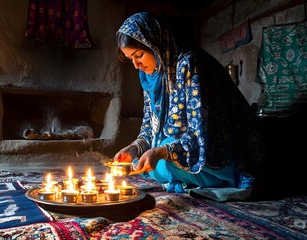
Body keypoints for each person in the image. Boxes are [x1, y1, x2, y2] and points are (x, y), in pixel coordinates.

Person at [113, 12, 263, 202]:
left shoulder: (189, 64)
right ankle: (172, 164)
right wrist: (135, 147)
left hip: (217, 153)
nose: (136, 65)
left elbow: (199, 135)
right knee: (149, 162)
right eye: (130, 59)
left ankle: (223, 178)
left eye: (139, 55)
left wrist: (161, 152)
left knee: (160, 164)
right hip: (180, 148)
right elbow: (150, 126)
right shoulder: (151, 76)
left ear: (155, 44)